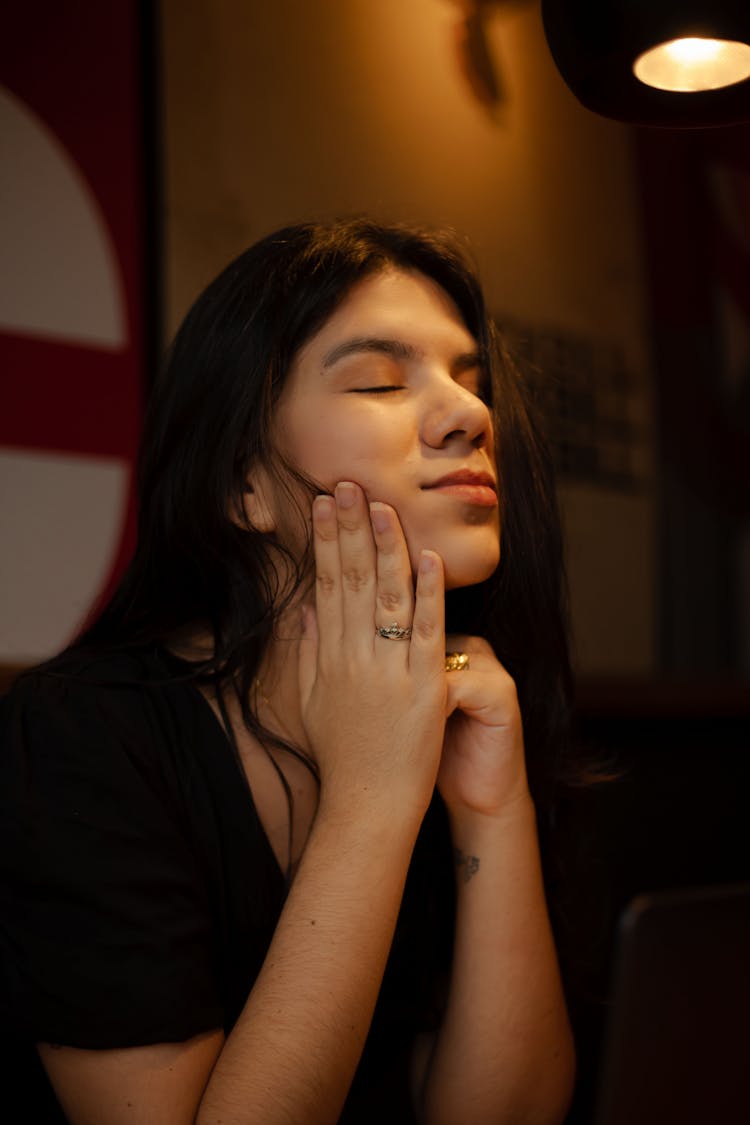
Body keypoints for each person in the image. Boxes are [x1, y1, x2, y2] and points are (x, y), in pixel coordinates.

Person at [1, 218, 577, 1123]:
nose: (474, 414)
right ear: (243, 483)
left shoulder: (470, 705)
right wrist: (373, 793)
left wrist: (493, 808)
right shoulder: (83, 735)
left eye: (471, 379)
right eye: (382, 380)